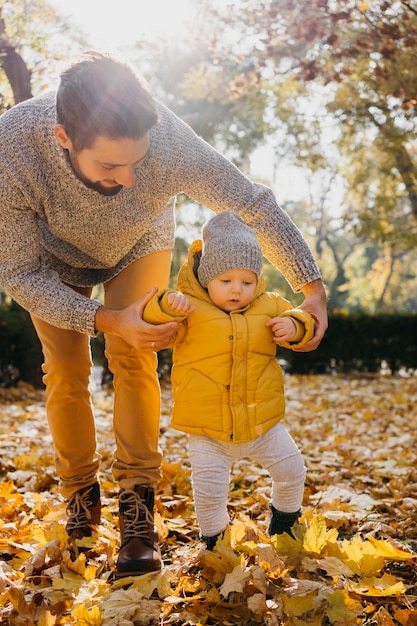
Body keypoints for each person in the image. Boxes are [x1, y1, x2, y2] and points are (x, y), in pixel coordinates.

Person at [0, 51, 327, 577]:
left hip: (139, 243)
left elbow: (252, 203)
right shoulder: (12, 147)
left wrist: (311, 288)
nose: (129, 178)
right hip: (51, 258)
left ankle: (136, 511)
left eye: (138, 160)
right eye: (111, 165)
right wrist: (106, 318)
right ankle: (81, 501)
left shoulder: (171, 141)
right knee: (66, 371)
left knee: (135, 359)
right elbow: (16, 271)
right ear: (64, 139)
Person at [143, 211, 315, 547]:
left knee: (292, 470)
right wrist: (166, 305)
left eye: (246, 282)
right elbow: (151, 313)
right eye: (226, 281)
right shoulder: (188, 306)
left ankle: (285, 522)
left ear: (257, 281)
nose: (237, 290)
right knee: (209, 493)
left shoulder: (269, 306)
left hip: (262, 422)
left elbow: (302, 318)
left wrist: (295, 326)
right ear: (207, 277)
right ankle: (215, 542)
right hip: (208, 429)